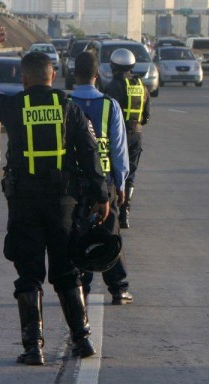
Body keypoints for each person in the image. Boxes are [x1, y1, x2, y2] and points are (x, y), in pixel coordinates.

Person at [0, 27, 109, 365]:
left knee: (29, 275)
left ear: (23, 78)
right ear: (53, 75)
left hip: (24, 204)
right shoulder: (69, 107)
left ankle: (34, 348)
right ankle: (82, 340)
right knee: (66, 273)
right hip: (63, 204)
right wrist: (101, 195)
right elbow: (89, 153)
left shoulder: (12, 106)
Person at [69, 51, 133, 305]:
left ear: (74, 74)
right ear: (98, 75)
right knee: (110, 232)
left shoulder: (65, 104)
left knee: (77, 233)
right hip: (105, 180)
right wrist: (121, 182)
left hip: (74, 182)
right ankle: (119, 288)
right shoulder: (110, 105)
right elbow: (119, 148)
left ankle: (80, 287)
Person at [104, 48, 150, 229]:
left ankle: (113, 210)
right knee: (130, 174)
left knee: (114, 172)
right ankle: (126, 213)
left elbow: (106, 113)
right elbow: (146, 116)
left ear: (113, 66)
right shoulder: (141, 86)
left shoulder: (112, 86)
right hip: (137, 135)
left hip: (117, 135)